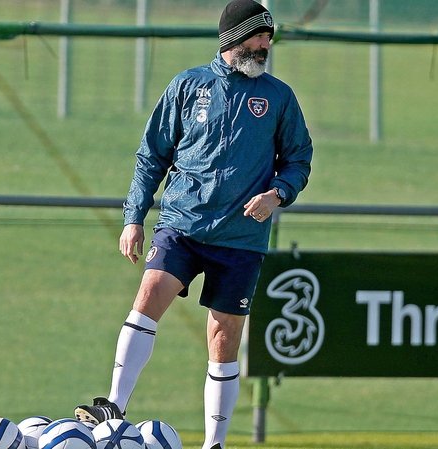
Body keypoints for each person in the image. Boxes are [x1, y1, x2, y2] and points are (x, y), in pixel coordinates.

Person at [74, 1, 313, 448]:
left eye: (269, 38)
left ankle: (214, 444)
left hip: (241, 239)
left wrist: (277, 194)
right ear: (235, 36)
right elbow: (151, 158)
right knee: (148, 295)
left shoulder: (279, 97)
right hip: (182, 225)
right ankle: (113, 405)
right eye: (260, 36)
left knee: (223, 341)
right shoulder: (188, 85)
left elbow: (299, 159)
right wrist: (133, 218)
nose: (266, 45)